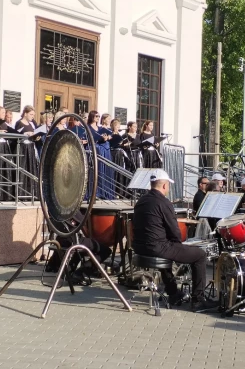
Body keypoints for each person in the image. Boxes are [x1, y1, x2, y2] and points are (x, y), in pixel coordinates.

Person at [132, 169, 216, 310]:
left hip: (140, 247)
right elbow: (175, 232)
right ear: (164, 186)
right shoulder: (164, 203)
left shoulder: (141, 201)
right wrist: (179, 246)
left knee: (168, 251)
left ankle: (173, 293)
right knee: (200, 255)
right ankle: (198, 300)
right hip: (157, 248)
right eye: (168, 186)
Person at [87, 110, 114, 200]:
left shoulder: (99, 128)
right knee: (94, 171)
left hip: (100, 148)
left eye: (98, 116)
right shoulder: (88, 127)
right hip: (93, 149)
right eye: (96, 116)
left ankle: (103, 192)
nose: (98, 118)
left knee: (102, 170)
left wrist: (105, 138)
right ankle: (94, 192)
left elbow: (100, 138)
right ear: (92, 117)